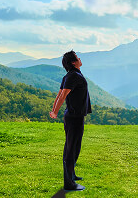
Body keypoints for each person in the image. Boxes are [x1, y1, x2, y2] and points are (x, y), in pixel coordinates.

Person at [50, 50, 92, 192]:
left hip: (75, 117)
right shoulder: (73, 76)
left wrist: (54, 110)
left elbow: (59, 94)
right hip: (74, 117)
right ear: (74, 62)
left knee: (73, 147)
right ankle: (69, 184)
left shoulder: (70, 75)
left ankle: (72, 175)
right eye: (77, 58)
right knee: (71, 150)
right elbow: (62, 96)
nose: (80, 59)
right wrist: (55, 111)